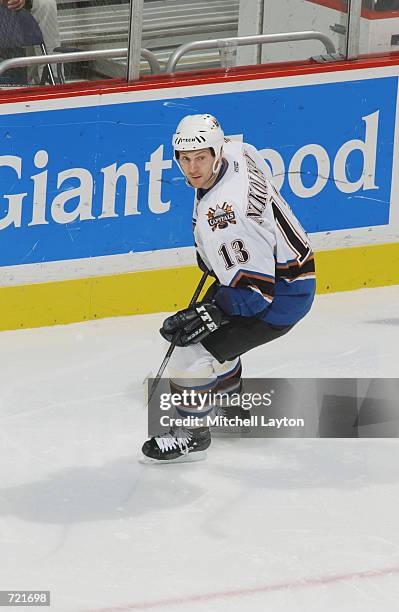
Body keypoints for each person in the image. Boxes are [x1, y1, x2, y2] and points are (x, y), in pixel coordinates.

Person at [141, 114, 316, 464]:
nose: (193, 168)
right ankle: (231, 403)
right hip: (289, 270)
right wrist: (215, 260)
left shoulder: (225, 216)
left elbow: (254, 296)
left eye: (200, 158)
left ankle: (193, 434)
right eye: (185, 158)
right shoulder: (239, 151)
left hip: (280, 295)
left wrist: (214, 310)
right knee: (214, 336)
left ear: (216, 152)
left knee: (189, 351)